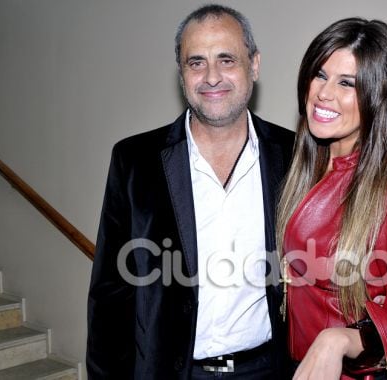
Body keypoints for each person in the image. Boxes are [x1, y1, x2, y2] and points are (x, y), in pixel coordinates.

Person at [87, 4, 294, 379]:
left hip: (271, 370)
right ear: (181, 74)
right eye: (196, 62)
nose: (211, 77)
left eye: (226, 59)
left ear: (255, 65)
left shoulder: (295, 156)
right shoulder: (134, 161)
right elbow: (110, 297)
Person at [276, 18, 387, 379]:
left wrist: (339, 340)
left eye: (347, 83)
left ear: (378, 96)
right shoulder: (306, 167)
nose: (324, 92)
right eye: (320, 74)